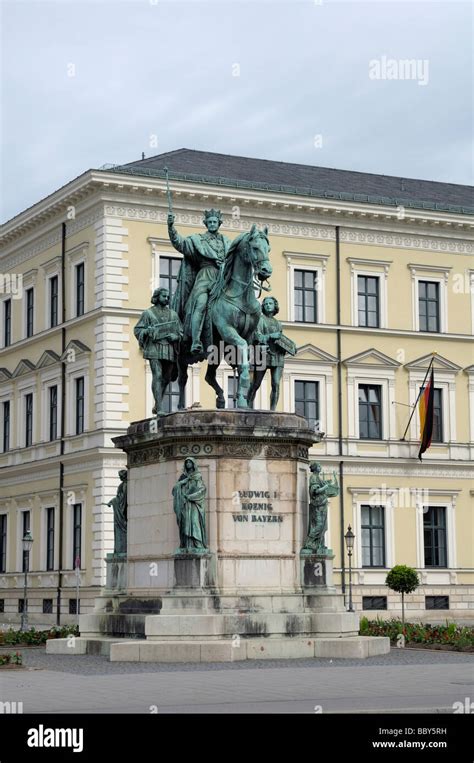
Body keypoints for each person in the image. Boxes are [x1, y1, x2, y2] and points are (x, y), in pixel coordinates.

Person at [168, 209, 232, 356]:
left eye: (214, 222)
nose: (212, 224)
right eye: (209, 222)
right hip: (205, 276)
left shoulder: (227, 242)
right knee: (201, 304)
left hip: (223, 278)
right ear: (205, 223)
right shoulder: (197, 240)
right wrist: (171, 227)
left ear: (219, 223)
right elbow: (180, 243)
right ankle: (196, 340)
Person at [134, 287, 182, 415]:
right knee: (158, 375)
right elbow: (138, 330)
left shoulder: (173, 314)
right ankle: (160, 408)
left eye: (167, 297)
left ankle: (157, 402)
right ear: (157, 297)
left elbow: (180, 332)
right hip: (154, 347)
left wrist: (176, 337)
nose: (166, 299)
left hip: (169, 347)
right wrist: (146, 331)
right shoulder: (148, 314)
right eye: (164, 296)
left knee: (166, 378)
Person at [247, 296, 295, 411]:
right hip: (263, 354)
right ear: (263, 306)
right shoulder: (260, 320)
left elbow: (281, 340)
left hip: (278, 355)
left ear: (275, 306)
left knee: (276, 384)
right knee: (256, 384)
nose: (268, 305)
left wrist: (288, 346)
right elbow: (257, 337)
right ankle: (247, 407)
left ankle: (273, 410)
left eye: (270, 304)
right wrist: (271, 336)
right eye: (266, 304)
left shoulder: (278, 324)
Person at [301, 462, 339, 555]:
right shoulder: (313, 478)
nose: (320, 467)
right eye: (318, 466)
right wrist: (325, 486)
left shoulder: (319, 478)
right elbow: (315, 491)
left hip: (322, 504)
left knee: (323, 526)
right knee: (319, 525)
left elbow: (329, 488)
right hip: (317, 505)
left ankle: (319, 545)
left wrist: (333, 478)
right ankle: (309, 543)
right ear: (315, 468)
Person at [172, 458, 208, 552]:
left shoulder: (197, 476)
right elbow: (174, 490)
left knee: (195, 522)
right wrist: (182, 483)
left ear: (193, 464)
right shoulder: (183, 477)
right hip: (184, 505)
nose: (188, 464)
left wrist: (191, 496)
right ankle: (187, 545)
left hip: (194, 505)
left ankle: (198, 544)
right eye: (186, 462)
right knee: (185, 524)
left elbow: (202, 490)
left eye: (190, 462)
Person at [103, 469, 128, 555]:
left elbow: (122, 500)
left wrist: (114, 501)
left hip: (123, 514)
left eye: (121, 476)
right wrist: (113, 501)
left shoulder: (127, 485)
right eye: (120, 476)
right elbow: (119, 498)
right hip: (120, 513)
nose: (120, 478)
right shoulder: (121, 486)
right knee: (118, 530)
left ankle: (122, 548)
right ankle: (120, 549)